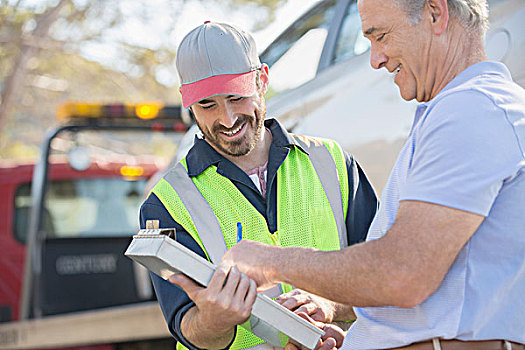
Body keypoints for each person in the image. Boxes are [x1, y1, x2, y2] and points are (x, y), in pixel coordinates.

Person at [222, 0, 525, 349]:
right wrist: (341, 316)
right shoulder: (470, 109)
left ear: (435, 13)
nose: (375, 59)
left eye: (380, 36)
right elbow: (446, 280)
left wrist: (271, 262)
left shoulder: (473, 110)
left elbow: (403, 273)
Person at [139, 21, 378, 350]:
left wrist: (331, 305)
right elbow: (187, 327)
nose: (227, 119)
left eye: (236, 97)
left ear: (262, 80)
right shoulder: (166, 203)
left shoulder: (333, 163)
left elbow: (385, 277)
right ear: (188, 103)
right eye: (208, 105)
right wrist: (213, 319)